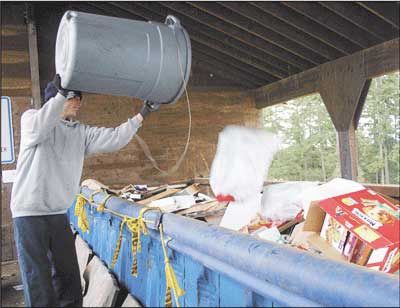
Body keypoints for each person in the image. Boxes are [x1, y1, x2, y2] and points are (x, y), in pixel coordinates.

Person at [10, 74, 159, 307]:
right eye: (72, 97)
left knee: (68, 275)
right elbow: (41, 125)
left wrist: (143, 113)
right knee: (38, 279)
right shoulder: (32, 121)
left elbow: (114, 138)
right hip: (29, 213)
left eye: (79, 98)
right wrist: (60, 94)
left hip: (58, 212)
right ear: (54, 99)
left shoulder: (80, 133)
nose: (78, 102)